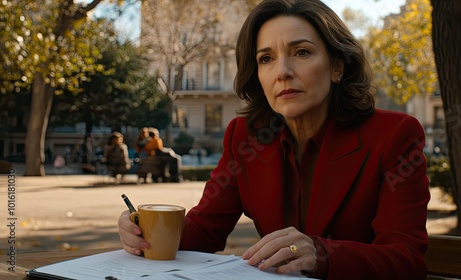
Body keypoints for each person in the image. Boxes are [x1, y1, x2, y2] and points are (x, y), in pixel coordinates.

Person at [118, 0, 430, 279]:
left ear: (337, 67)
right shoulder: (244, 137)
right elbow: (204, 231)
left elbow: (406, 260)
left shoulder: (394, 136)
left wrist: (319, 254)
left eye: (302, 52)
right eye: (266, 59)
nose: (282, 71)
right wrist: (142, 228)